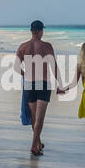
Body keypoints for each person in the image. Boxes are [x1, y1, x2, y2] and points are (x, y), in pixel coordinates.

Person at [15, 19, 56, 157]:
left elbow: (16, 67)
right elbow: (54, 67)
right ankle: (34, 146)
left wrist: (25, 73)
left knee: (34, 117)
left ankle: (38, 142)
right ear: (41, 31)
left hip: (29, 84)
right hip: (43, 83)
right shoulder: (47, 46)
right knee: (39, 118)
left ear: (31, 31)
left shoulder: (22, 47)